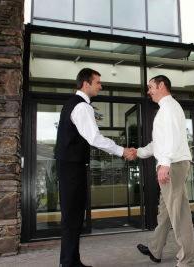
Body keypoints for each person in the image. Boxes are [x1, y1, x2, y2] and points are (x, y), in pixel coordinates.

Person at [55, 68, 127, 267]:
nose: (100, 86)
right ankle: (68, 263)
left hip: (69, 166)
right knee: (72, 216)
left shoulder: (72, 104)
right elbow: (94, 138)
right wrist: (122, 151)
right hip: (72, 168)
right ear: (86, 84)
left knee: (74, 215)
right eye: (97, 82)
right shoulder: (82, 107)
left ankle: (71, 261)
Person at [125, 75, 194, 267]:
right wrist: (139, 152)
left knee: (179, 214)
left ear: (162, 85)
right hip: (172, 163)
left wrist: (164, 164)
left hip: (172, 165)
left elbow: (171, 139)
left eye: (151, 87)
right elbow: (160, 142)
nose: (148, 91)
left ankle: (188, 260)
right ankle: (155, 249)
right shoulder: (167, 108)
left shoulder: (169, 108)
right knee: (165, 212)